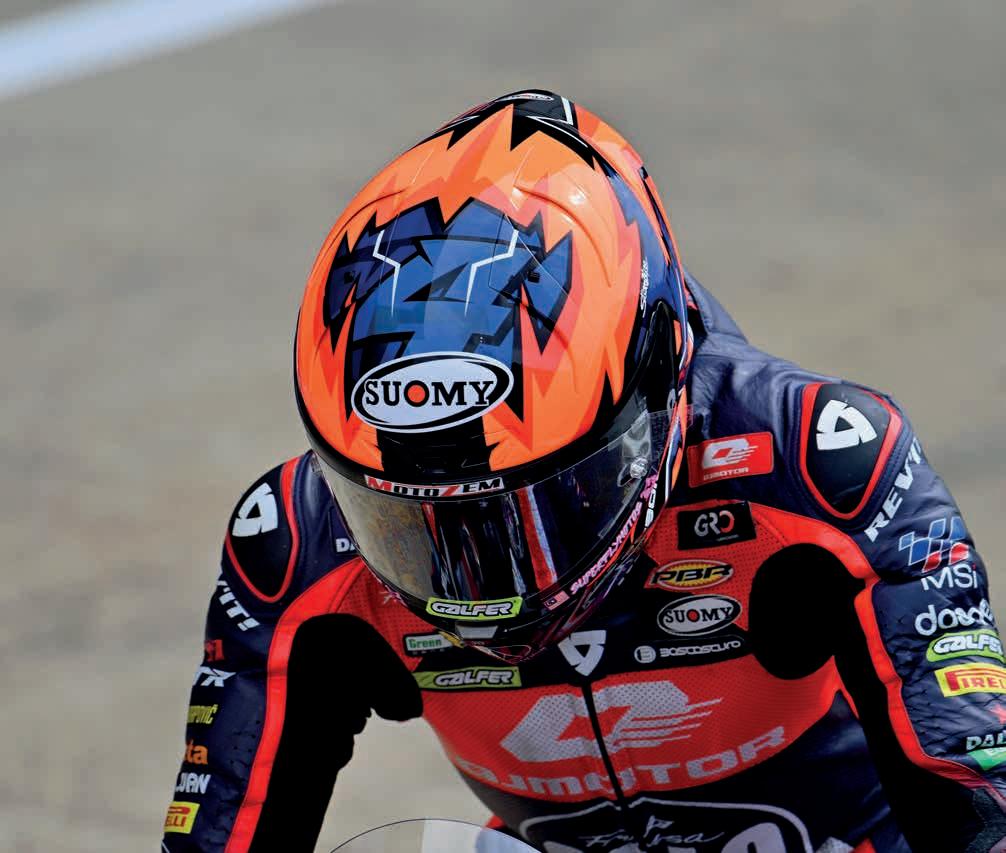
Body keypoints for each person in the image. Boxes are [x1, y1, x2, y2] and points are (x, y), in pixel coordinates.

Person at [160, 91, 1006, 853]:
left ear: (656, 376)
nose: (487, 583)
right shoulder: (296, 548)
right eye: (407, 525)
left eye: (549, 502)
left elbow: (977, 791)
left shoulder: (823, 468)